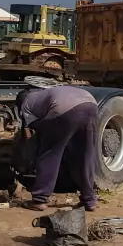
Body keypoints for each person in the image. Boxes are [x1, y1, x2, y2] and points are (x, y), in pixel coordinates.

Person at [16, 80, 99, 212]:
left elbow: (34, 128)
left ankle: (39, 199)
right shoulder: (42, 94)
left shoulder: (25, 104)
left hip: (64, 106)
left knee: (49, 153)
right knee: (86, 154)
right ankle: (89, 200)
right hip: (91, 104)